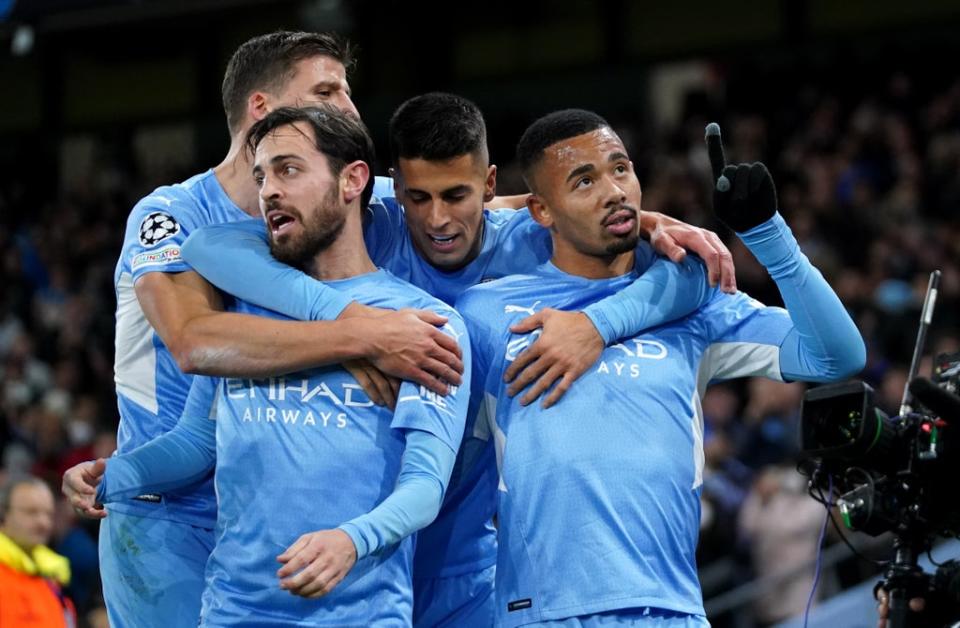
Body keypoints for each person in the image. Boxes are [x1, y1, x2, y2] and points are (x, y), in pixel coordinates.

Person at [180, 92, 731, 626]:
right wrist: (352, 323)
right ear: (393, 188)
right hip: (358, 562)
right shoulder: (376, 229)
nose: (438, 220)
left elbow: (684, 276)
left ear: (490, 186)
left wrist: (620, 279)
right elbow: (207, 247)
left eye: (457, 196)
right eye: (419, 198)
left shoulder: (527, 238)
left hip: (462, 559)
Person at [104, 31, 465, 628]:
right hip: (167, 511)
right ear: (263, 111)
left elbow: (478, 205)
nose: (349, 107)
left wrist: (635, 220)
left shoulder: (347, 200)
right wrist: (358, 334)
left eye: (347, 93)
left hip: (294, 537)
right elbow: (196, 342)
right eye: (327, 91)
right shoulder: (172, 213)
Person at [453, 111, 866, 626]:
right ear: (541, 210)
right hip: (540, 612)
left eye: (620, 169)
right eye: (584, 181)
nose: (615, 191)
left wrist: (768, 235)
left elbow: (836, 355)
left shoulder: (692, 306)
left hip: (670, 610)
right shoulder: (484, 314)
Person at [0, 476, 76, 627]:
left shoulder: (53, 577)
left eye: (48, 514)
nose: (43, 522)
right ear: (3, 515)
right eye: (31, 512)